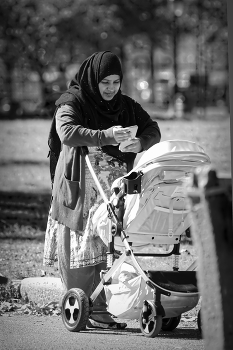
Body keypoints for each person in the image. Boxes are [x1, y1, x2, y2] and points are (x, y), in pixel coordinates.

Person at [43, 51, 161, 329]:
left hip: (115, 191)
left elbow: (153, 129)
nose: (110, 88)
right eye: (104, 82)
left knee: (111, 245)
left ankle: (107, 305)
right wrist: (107, 135)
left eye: (115, 82)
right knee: (82, 245)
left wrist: (140, 143)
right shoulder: (71, 102)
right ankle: (89, 305)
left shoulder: (127, 106)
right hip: (82, 189)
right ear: (92, 79)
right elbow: (67, 133)